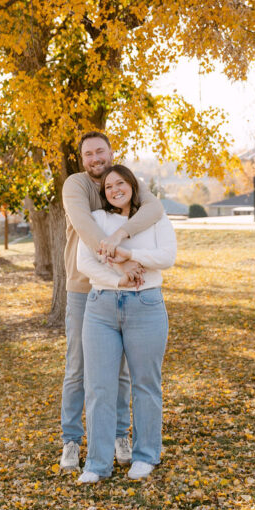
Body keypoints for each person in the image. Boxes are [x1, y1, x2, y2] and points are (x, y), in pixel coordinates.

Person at [59, 132, 165, 472]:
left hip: (122, 292)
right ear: (82, 159)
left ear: (110, 153)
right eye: (88, 153)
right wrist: (121, 261)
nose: (95, 158)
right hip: (82, 287)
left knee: (118, 372)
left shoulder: (123, 179)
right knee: (79, 368)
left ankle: (120, 435)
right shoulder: (75, 185)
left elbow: (155, 208)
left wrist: (122, 235)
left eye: (100, 151)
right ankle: (72, 440)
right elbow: (87, 229)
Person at [76, 164, 177, 483]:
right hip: (101, 307)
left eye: (121, 183)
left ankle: (146, 455)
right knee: (99, 387)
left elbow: (167, 257)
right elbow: (85, 262)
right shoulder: (97, 220)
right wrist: (119, 278)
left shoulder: (155, 217)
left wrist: (122, 253)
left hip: (146, 304)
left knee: (146, 383)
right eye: (108, 187)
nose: (115, 189)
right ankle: (97, 463)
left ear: (133, 185)